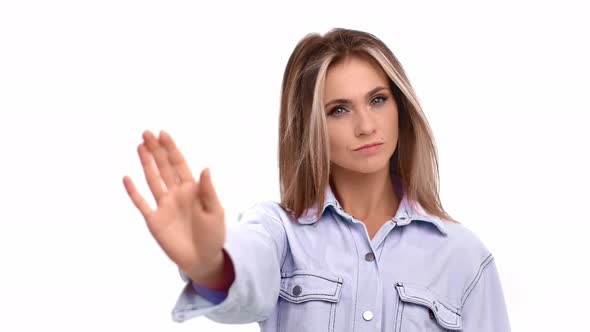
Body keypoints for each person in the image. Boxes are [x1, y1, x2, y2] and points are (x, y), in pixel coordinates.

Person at [123, 28, 511, 331]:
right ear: (311, 127)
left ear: (400, 106)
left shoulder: (463, 256)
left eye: (378, 99)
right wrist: (211, 264)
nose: (365, 125)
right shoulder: (279, 232)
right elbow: (247, 278)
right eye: (338, 110)